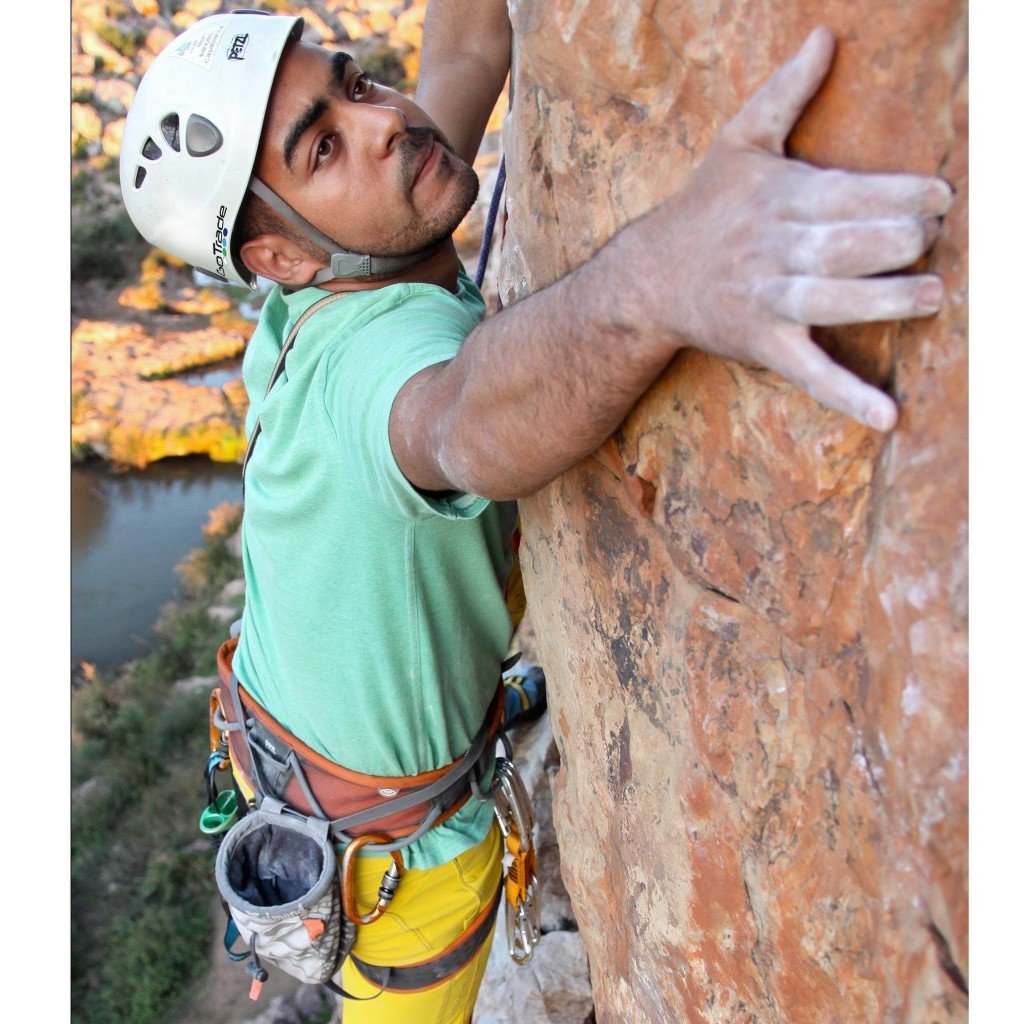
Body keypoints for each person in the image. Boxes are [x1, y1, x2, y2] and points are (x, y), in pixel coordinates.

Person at [119, 4, 952, 1022]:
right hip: (402, 868)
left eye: (353, 81)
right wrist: (664, 275)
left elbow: (468, 48)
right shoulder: (366, 372)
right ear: (278, 256)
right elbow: (465, 416)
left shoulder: (355, 239)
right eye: (322, 144)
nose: (382, 120)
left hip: (280, 752)